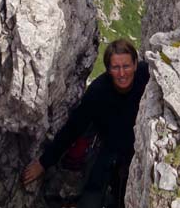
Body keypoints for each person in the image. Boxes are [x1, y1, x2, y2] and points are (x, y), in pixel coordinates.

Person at [22, 38, 149, 208]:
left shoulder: (147, 76)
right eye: (115, 67)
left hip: (140, 149)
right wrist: (44, 163)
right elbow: (73, 128)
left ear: (135, 64)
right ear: (108, 69)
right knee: (91, 199)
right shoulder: (98, 92)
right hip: (109, 149)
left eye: (126, 66)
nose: (121, 73)